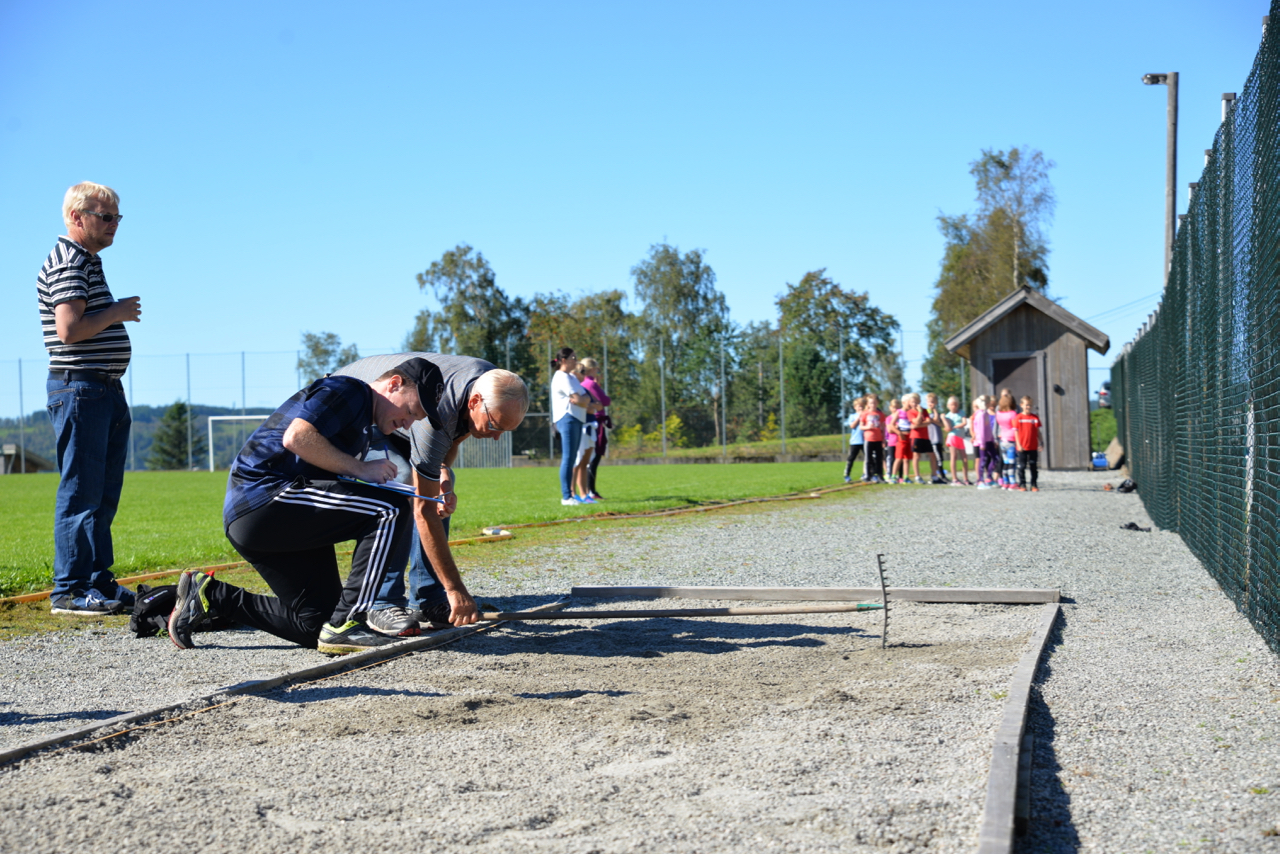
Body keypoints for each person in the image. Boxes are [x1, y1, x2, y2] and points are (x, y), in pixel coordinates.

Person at [167, 358, 445, 655]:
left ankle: (211, 595)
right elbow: (296, 437)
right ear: (394, 384)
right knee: (389, 510)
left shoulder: (364, 418)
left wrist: (436, 481)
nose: (408, 423)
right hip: (264, 499)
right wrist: (360, 469)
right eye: (411, 411)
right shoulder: (350, 390)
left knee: (316, 625)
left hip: (275, 518)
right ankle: (347, 622)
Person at [334, 353, 530, 637]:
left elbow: (454, 437)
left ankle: (428, 600)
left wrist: (442, 472)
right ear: (475, 403)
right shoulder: (442, 407)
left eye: (505, 430)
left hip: (411, 419)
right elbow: (422, 511)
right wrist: (457, 589)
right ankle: (381, 601)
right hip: (361, 410)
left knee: (438, 494)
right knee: (401, 485)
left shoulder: (490, 384)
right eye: (495, 426)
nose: (497, 436)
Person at [39, 182, 142, 616]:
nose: (114, 224)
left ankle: (98, 582)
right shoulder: (69, 260)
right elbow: (69, 329)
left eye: (117, 216)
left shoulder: (87, 261)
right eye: (105, 216)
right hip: (81, 388)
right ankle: (70, 590)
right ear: (77, 218)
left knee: (102, 494)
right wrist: (116, 312)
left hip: (101, 389)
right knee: (82, 492)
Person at [551, 348, 593, 506]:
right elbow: (580, 399)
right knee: (568, 458)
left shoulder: (572, 377)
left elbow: (585, 398)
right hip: (567, 418)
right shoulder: (562, 377)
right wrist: (582, 399)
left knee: (573, 457)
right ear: (563, 360)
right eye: (573, 358)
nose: (576, 361)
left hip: (576, 418)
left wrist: (582, 399)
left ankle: (571, 496)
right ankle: (566, 496)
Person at [578, 358, 611, 500]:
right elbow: (606, 401)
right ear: (592, 369)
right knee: (593, 457)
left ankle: (588, 490)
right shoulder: (591, 384)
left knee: (589, 457)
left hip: (590, 422)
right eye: (597, 369)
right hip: (595, 422)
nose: (598, 372)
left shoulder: (582, 383)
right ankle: (590, 490)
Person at [571, 360, 601, 503]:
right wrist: (587, 404)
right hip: (580, 425)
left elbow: (598, 405)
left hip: (590, 425)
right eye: (580, 372)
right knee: (576, 462)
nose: (583, 375)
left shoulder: (583, 389)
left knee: (585, 462)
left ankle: (584, 494)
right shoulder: (572, 387)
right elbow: (582, 404)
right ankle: (573, 492)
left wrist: (587, 403)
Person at [1014, 395, 1045, 492]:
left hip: (1033, 447)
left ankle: (1034, 484)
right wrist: (1018, 444)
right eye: (1026, 405)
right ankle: (1022, 484)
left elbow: (1038, 432)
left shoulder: (1034, 418)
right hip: (1022, 447)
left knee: (1033, 466)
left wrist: (1041, 442)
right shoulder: (1018, 418)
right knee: (1022, 466)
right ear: (1021, 405)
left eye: (1030, 405)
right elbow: (1016, 432)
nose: (1028, 407)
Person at [970, 396, 999, 489]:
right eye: (987, 402)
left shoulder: (985, 413)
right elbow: (981, 430)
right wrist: (982, 444)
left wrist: (992, 440)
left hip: (989, 440)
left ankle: (989, 478)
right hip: (982, 442)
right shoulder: (980, 415)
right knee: (983, 460)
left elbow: (988, 429)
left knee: (996, 458)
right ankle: (980, 481)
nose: (989, 403)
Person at [942, 396, 972, 486]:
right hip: (953, 437)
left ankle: (965, 478)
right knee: (953, 457)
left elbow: (964, 423)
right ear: (948, 405)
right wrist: (943, 419)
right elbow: (947, 428)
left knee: (965, 458)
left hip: (960, 438)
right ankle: (954, 478)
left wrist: (955, 426)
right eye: (951, 405)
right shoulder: (948, 416)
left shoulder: (961, 412)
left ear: (958, 405)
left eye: (955, 404)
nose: (953, 406)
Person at [859, 394, 885, 483]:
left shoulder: (880, 414)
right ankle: (867, 475)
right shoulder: (865, 413)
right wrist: (868, 427)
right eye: (871, 403)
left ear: (877, 403)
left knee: (879, 459)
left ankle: (880, 476)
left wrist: (884, 439)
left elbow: (883, 427)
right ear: (868, 404)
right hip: (869, 439)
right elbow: (861, 427)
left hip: (878, 439)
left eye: (874, 402)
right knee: (868, 458)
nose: (873, 404)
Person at [995, 389, 1019, 489]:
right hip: (1011, 440)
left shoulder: (999, 414)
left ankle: (1005, 482)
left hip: (1002, 440)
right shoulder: (1013, 414)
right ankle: (1012, 482)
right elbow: (1015, 427)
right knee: (1012, 463)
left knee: (1005, 462)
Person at [843, 397, 865, 483]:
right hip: (855, 441)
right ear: (855, 407)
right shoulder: (852, 416)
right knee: (851, 458)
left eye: (862, 406)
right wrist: (859, 417)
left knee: (868, 458)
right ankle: (847, 474)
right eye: (859, 406)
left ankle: (866, 473)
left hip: (865, 441)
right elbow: (852, 426)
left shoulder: (866, 415)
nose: (861, 408)